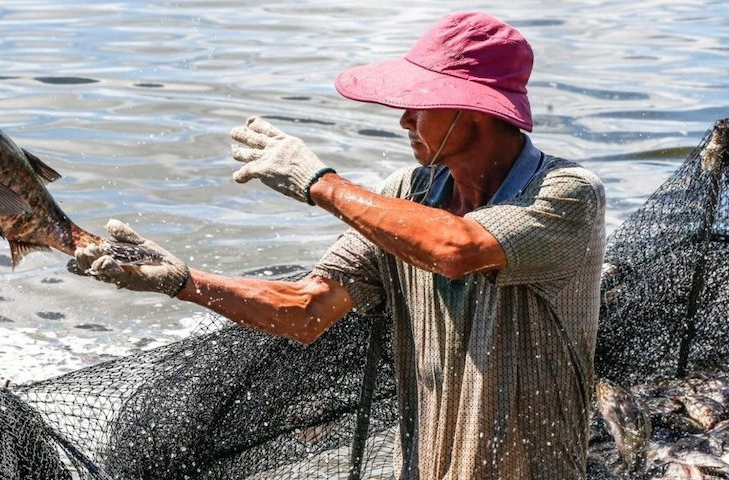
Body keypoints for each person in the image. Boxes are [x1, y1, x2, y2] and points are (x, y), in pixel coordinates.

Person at [70, 11, 605, 480]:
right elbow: (306, 310)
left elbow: (456, 249)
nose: (404, 120)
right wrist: (182, 281)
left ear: (476, 111)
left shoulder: (566, 194)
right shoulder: (408, 194)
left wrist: (318, 182)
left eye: (421, 105)